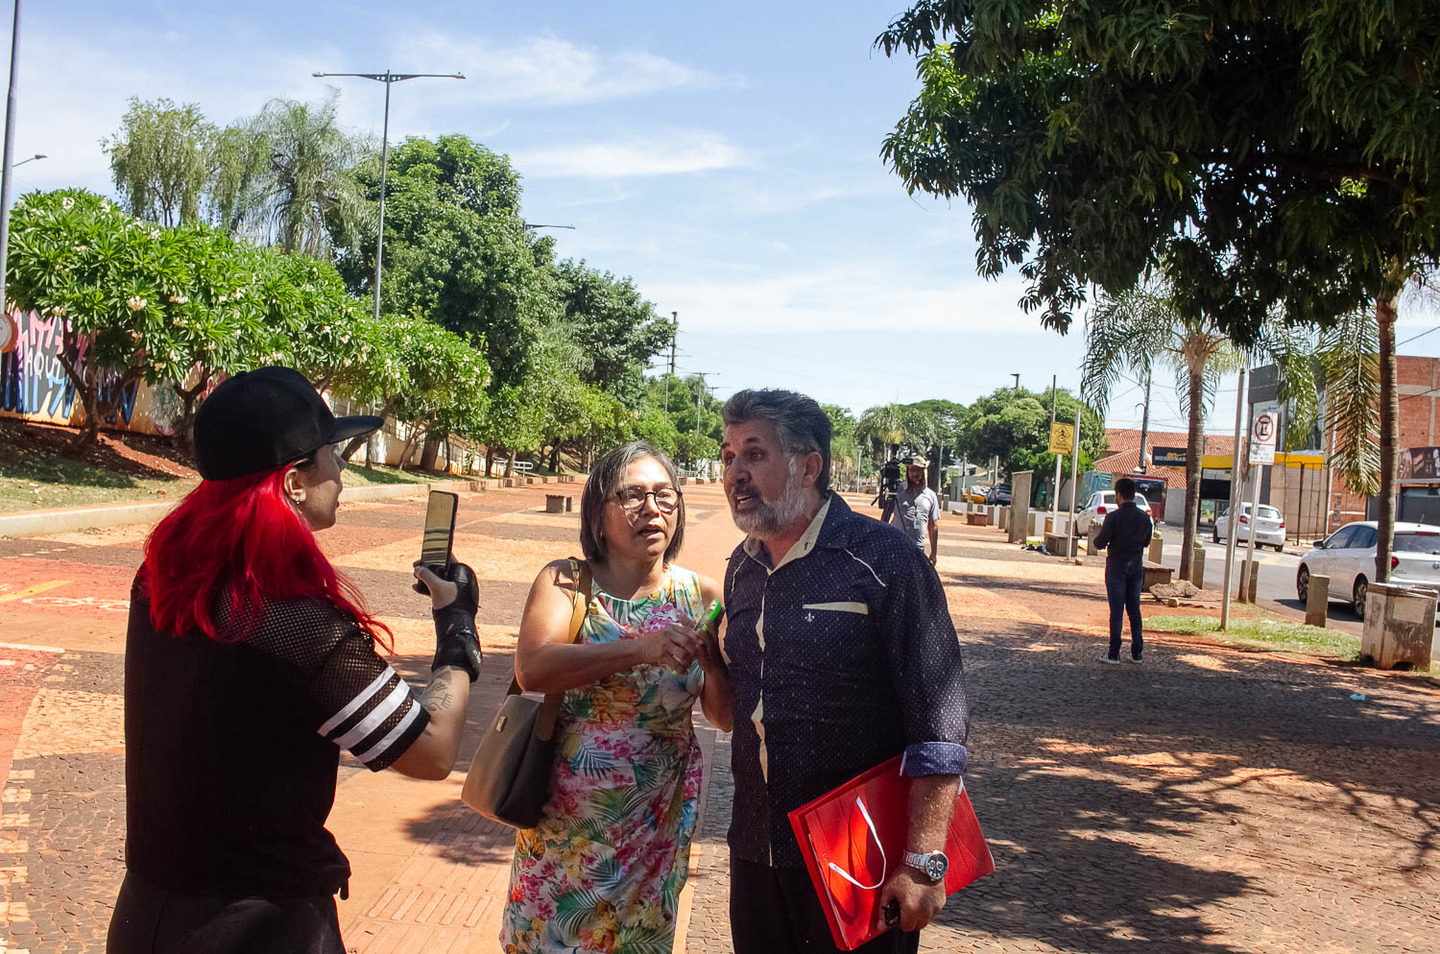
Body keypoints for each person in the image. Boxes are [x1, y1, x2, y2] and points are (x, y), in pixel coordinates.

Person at [107, 366, 482, 954]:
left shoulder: (161, 578)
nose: (343, 470)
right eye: (333, 453)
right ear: (293, 483)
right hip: (260, 927)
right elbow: (431, 752)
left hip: (147, 915)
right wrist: (457, 629)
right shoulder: (294, 621)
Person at [718, 389, 970, 954]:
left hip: (858, 856)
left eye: (754, 454)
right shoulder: (742, 567)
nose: (735, 472)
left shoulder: (883, 561)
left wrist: (925, 859)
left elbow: (939, 720)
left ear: (809, 466)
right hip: (756, 850)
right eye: (729, 455)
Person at [502, 441, 733, 954]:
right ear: (597, 512)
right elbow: (534, 667)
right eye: (632, 496)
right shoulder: (565, 582)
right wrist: (642, 648)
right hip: (566, 828)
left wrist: (712, 662)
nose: (652, 510)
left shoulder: (703, 596)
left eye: (665, 496)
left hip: (653, 829)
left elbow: (724, 717)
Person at [1092, 476, 1152, 664]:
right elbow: (1147, 542)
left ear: (1118, 495)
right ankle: (1137, 652)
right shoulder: (1145, 518)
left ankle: (1113, 653)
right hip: (1135, 567)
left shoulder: (1113, 518)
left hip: (1116, 567)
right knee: (1134, 610)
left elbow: (1099, 543)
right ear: (1133, 495)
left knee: (1116, 610)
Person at [882, 455, 941, 565]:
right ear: (907, 471)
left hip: (917, 549)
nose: (915, 474)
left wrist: (934, 552)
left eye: (919, 470)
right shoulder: (897, 491)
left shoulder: (931, 496)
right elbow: (885, 517)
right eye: (912, 470)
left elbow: (933, 525)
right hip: (896, 546)